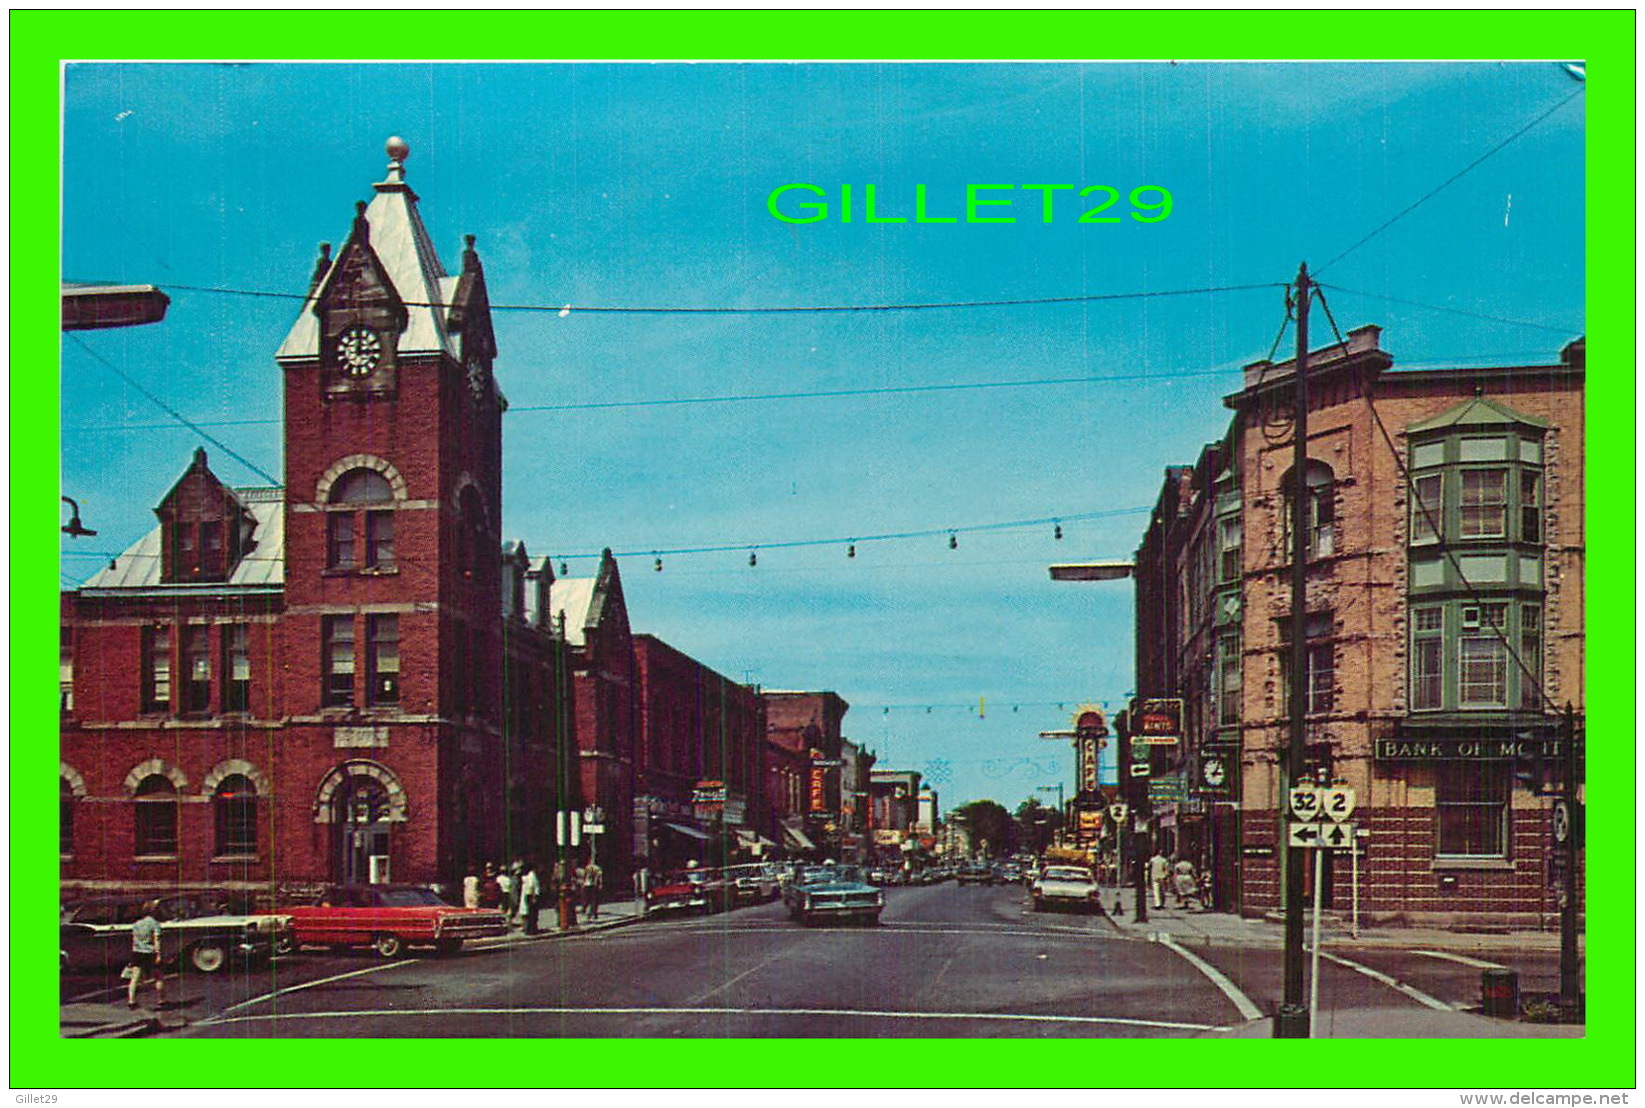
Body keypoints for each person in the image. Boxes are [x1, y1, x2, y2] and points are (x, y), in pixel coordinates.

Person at [127, 900, 165, 1010]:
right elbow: (157, 940)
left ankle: (131, 1000)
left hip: (137, 952)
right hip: (150, 952)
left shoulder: (137, 924)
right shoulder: (155, 924)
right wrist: (159, 954)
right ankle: (161, 1000)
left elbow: (134, 940)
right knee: (158, 977)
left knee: (135, 978)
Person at [519, 862, 542, 935]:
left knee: (531, 914)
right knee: (533, 914)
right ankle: (532, 929)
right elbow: (531, 887)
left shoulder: (529, 876)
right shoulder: (532, 875)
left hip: (530, 895)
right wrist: (534, 897)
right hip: (531, 896)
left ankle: (531, 929)